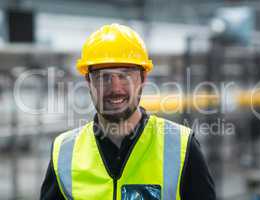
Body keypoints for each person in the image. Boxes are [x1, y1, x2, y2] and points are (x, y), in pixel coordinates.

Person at [40, 23, 215, 200]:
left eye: (125, 75)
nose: (115, 88)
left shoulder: (181, 147)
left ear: (143, 78)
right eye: (103, 77)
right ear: (88, 81)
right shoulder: (64, 152)